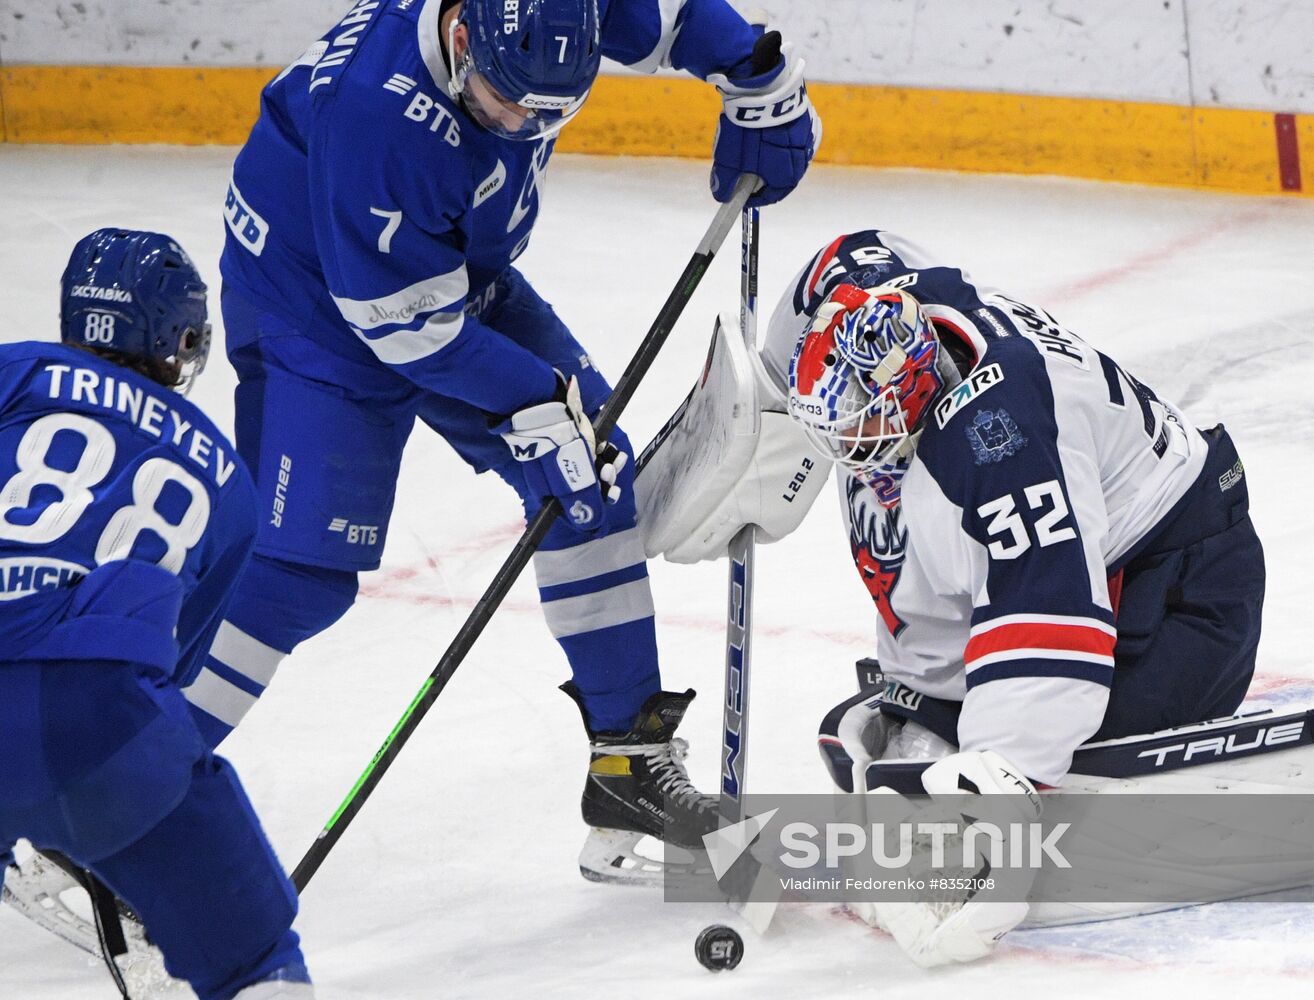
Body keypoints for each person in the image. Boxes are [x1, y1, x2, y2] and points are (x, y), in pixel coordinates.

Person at [208, 0, 821, 878]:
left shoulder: (553, 14)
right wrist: (536, 405)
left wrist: (761, 79)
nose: (525, 123)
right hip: (314, 307)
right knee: (295, 574)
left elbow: (678, 19)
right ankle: (138, 784)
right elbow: (404, 331)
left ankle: (626, 765)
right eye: (505, 103)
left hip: (447, 271)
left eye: (550, 109)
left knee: (591, 472)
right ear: (461, 42)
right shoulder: (377, 113)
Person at [767, 229, 1265, 965]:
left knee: (1044, 747)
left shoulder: (1002, 435)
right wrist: (924, 713)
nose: (849, 443)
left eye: (860, 422)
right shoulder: (907, 330)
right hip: (1110, 553)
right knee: (905, 730)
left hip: (1186, 587)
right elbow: (851, 253)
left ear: (908, 386)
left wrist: (992, 804)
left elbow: (1053, 614)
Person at [0, 230, 313, 999]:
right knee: (257, 964)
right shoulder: (231, 486)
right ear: (179, 341)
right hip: (95, 711)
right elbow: (172, 675)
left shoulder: (16, 370)